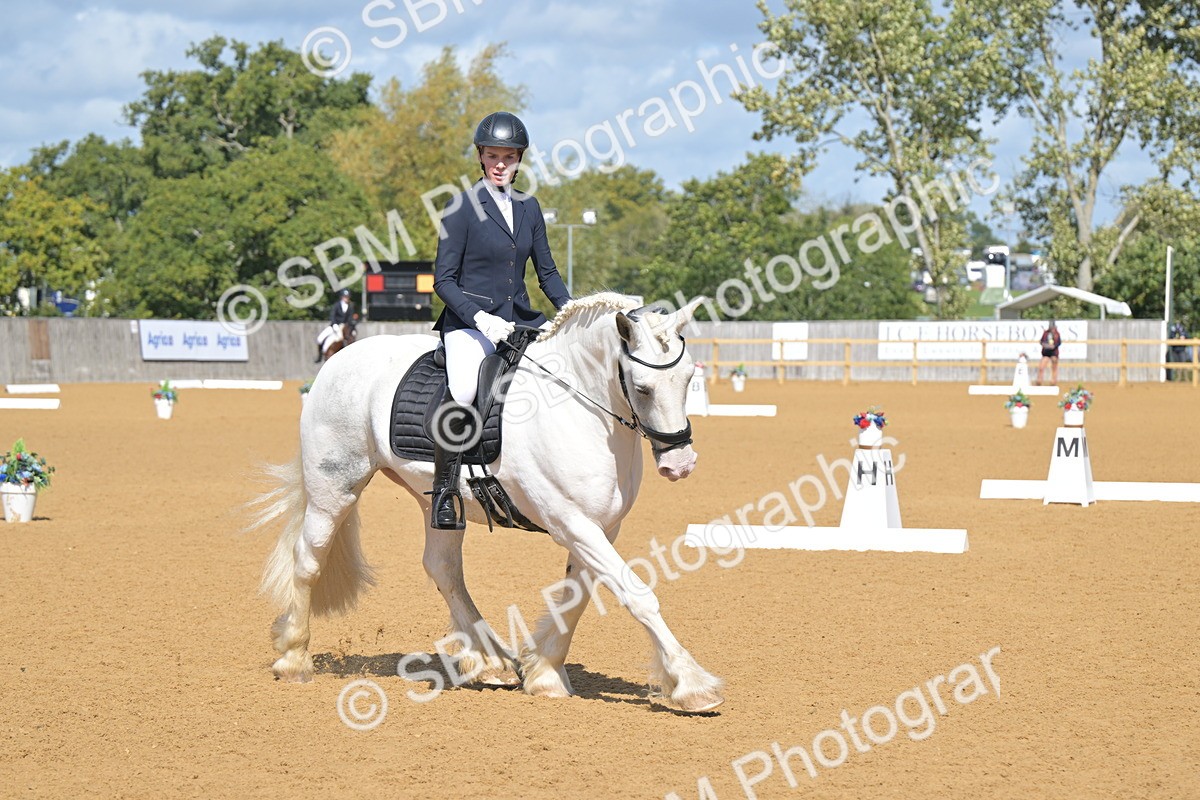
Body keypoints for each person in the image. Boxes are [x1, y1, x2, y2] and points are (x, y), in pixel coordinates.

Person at [427, 110, 572, 530]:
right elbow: (444, 280)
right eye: (493, 156)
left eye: (508, 157)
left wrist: (571, 312)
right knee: (464, 386)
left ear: (519, 159)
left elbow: (546, 273)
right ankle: (444, 490)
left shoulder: (529, 207)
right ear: (480, 156)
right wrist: (479, 318)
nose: (500, 164)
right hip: (469, 323)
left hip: (520, 319)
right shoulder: (461, 206)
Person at [315, 289, 355, 363]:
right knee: (319, 339)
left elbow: (350, 318)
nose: (346, 298)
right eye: (345, 297)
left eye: (347, 297)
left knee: (351, 338)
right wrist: (334, 324)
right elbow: (332, 316)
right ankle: (320, 356)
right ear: (342, 297)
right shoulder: (336, 305)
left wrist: (350, 326)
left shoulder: (350, 306)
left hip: (345, 327)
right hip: (335, 325)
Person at [1036, 319, 1062, 385]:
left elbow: (1059, 342)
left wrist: (1054, 346)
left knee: (1054, 367)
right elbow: (1041, 341)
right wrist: (1045, 345)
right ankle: (1039, 380)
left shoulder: (1057, 334)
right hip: (1046, 352)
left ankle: (1053, 381)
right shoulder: (1046, 333)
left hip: (1054, 353)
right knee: (1041, 367)